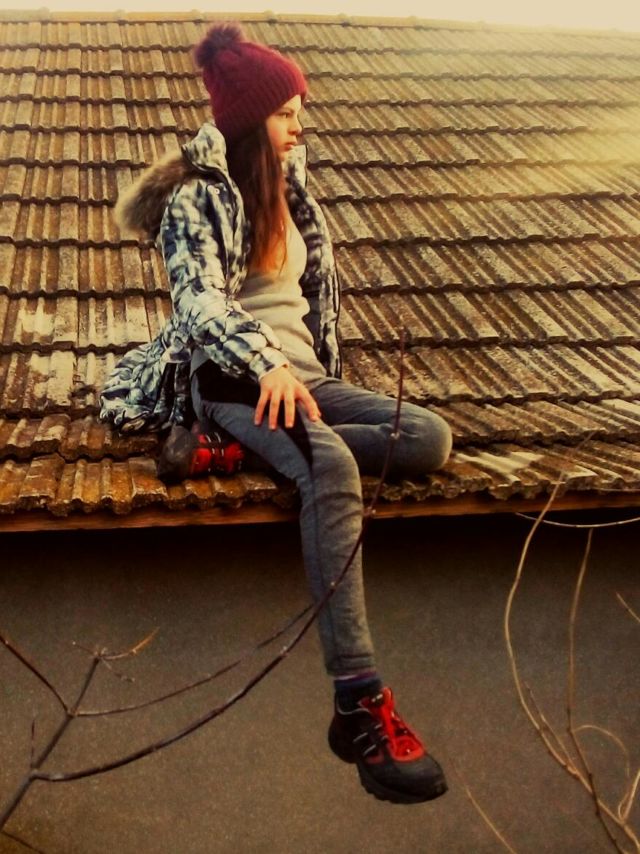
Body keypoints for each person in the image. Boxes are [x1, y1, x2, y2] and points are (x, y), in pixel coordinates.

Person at [100, 23, 452, 805]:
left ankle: (223, 454)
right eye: (288, 113)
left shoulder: (294, 193)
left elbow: (312, 301)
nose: (300, 125)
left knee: (426, 436)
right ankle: (358, 701)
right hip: (234, 378)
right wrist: (264, 364)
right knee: (332, 465)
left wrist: (306, 374)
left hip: (306, 379)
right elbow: (200, 303)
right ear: (253, 119)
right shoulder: (195, 198)